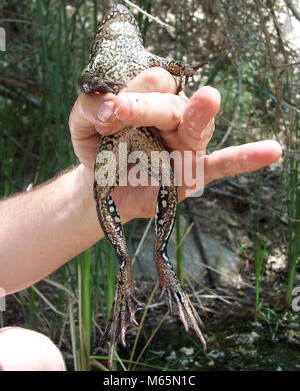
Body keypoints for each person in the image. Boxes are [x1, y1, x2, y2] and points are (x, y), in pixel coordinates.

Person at [0, 68, 282, 370]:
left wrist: (87, 192)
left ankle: (159, 268)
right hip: (126, 141)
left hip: (128, 146)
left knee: (37, 354)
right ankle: (148, 273)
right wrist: (180, 73)